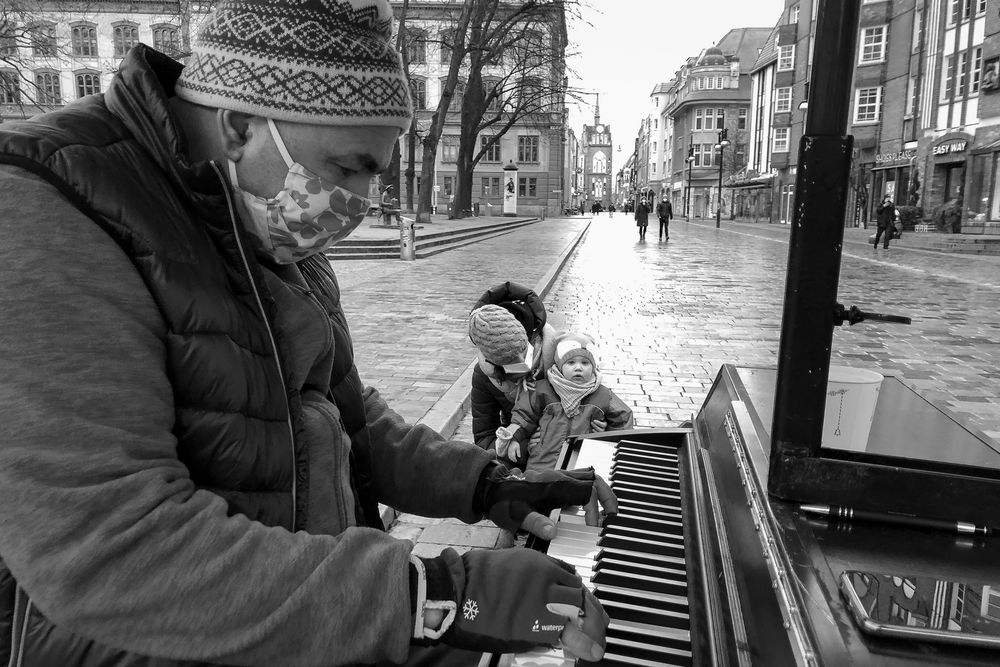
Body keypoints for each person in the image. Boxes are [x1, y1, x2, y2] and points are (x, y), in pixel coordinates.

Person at [0, 1, 616, 665]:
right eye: (349, 167)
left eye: (374, 173)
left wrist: (489, 484)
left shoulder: (267, 210)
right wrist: (431, 595)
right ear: (239, 126)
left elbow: (343, 420)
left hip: (308, 605)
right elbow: (108, 550)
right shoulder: (49, 209)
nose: (357, 202)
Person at [496, 333, 634, 472]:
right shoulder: (541, 390)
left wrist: (607, 440)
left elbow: (623, 418)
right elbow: (523, 416)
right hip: (542, 463)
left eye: (585, 363)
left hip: (582, 464)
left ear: (593, 367)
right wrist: (514, 439)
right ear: (560, 365)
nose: (578, 367)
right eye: (571, 362)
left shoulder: (603, 394)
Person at [468, 286, 558, 451]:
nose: (521, 364)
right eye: (509, 362)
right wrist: (520, 446)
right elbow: (484, 438)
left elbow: (594, 401)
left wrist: (597, 424)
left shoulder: (563, 356)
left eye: (523, 351)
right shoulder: (484, 375)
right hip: (519, 450)